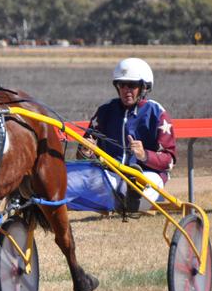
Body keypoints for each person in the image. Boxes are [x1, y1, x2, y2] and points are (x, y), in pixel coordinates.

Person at [75, 57, 177, 213]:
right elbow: (83, 153)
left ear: (144, 87)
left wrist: (144, 155)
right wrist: (86, 152)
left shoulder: (156, 113)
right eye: (122, 85)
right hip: (112, 174)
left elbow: (168, 161)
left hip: (148, 174)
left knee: (139, 185)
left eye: (132, 85)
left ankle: (131, 198)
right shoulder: (105, 111)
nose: (126, 90)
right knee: (83, 180)